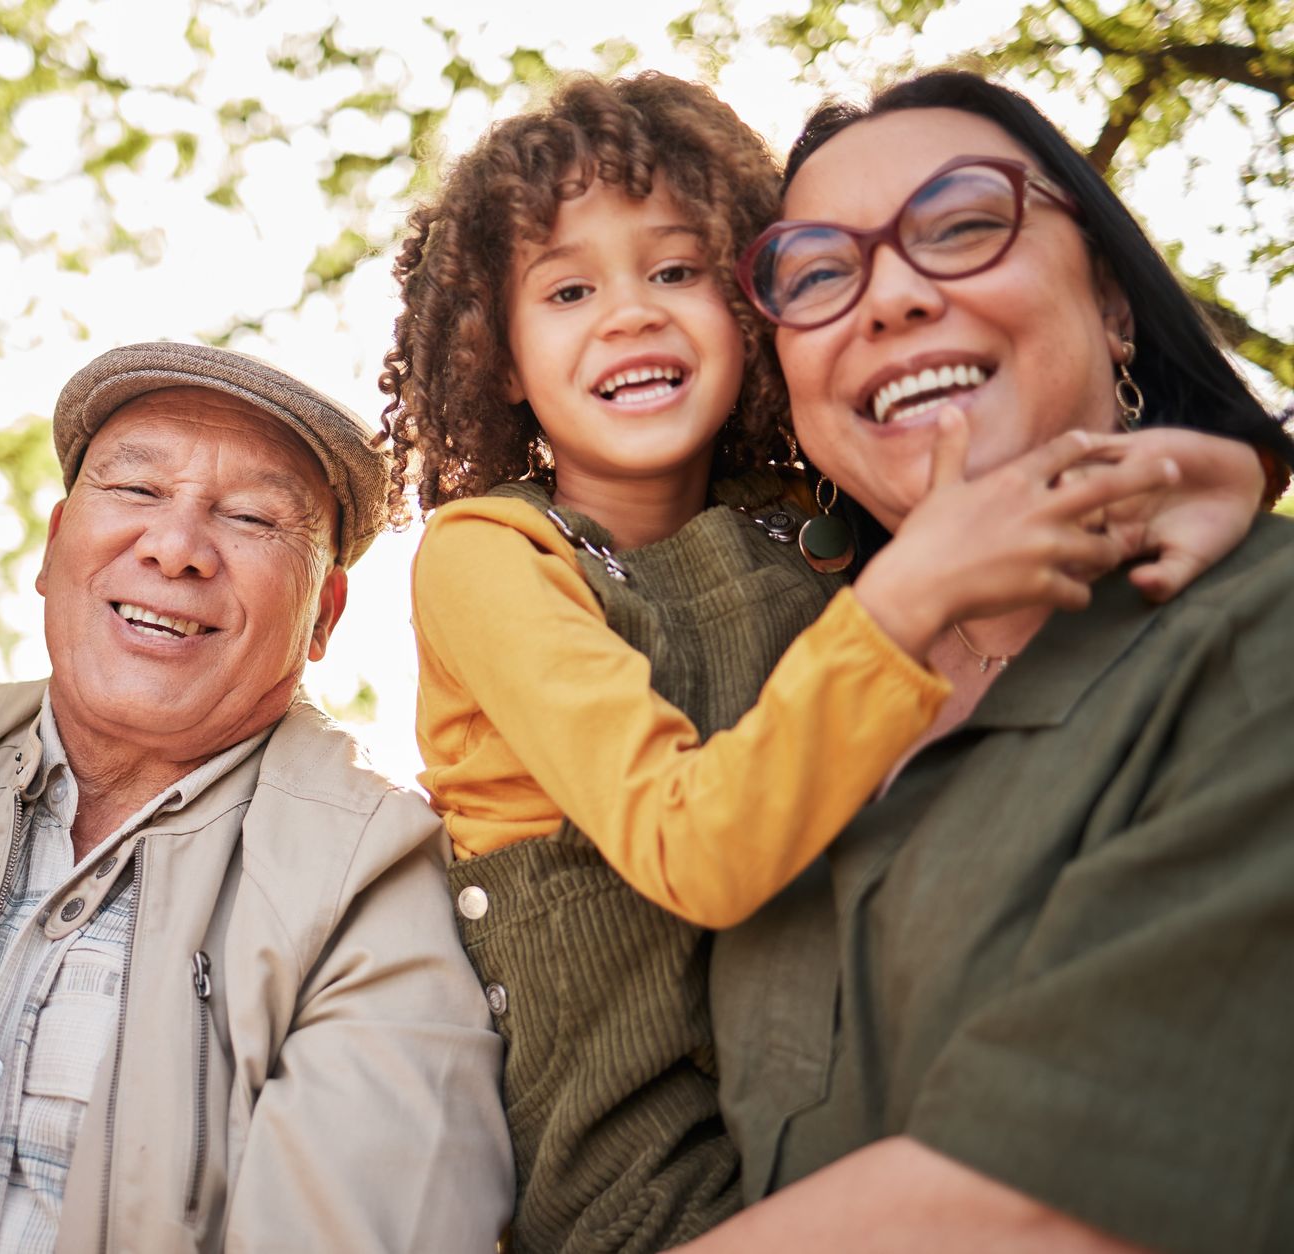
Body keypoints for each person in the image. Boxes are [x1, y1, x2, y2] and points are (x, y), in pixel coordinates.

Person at [380, 73, 1271, 1252]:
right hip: (629, 1151)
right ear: (498, 355)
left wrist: (1220, 464)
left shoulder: (797, 529)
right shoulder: (499, 553)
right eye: (569, 289)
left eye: (679, 270)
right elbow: (695, 841)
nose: (632, 314)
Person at [696, 70, 1294, 1254]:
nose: (892, 299)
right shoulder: (765, 706)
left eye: (964, 224)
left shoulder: (1260, 635)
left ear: (1114, 305)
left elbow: (1029, 1209)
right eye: (817, 275)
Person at [0, 341, 511, 1253]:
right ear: (56, 548)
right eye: (136, 491)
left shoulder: (370, 872)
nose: (175, 548)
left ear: (325, 616)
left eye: (254, 518)